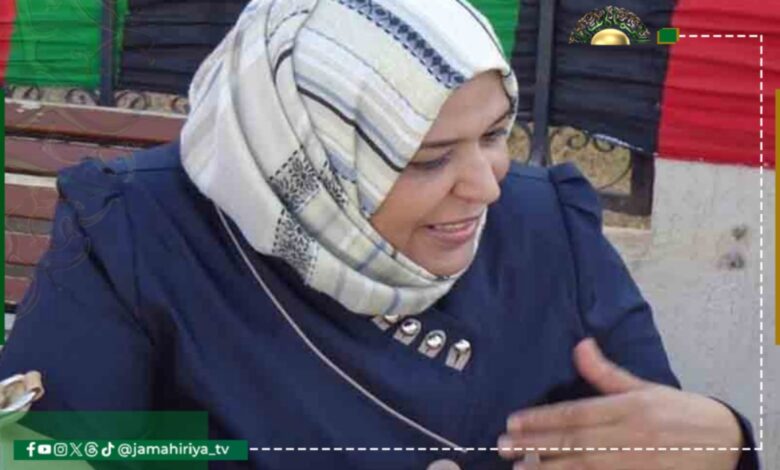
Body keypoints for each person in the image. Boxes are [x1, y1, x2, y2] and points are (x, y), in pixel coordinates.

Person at [0, 0, 759, 468]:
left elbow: (648, 437)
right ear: (306, 158)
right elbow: (68, 451)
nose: (487, 186)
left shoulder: (543, 229)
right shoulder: (139, 233)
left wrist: (725, 444)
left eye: (496, 134)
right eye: (428, 158)